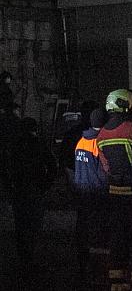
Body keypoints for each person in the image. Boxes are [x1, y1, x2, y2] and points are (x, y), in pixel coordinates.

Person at [96, 89, 132, 289]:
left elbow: (105, 166)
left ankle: (116, 279)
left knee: (117, 236)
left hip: (114, 192)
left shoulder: (102, 135)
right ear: (124, 105)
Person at [12, 117, 56, 290]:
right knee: (33, 226)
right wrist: (45, 184)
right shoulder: (38, 144)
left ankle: (24, 261)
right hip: (34, 190)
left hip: (20, 191)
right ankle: (30, 261)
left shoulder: (15, 145)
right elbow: (52, 166)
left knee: (21, 227)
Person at [73, 109, 110, 289]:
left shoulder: (81, 141)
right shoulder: (99, 142)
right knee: (99, 236)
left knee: (83, 232)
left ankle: (83, 269)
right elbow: (104, 172)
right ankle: (97, 274)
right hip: (97, 195)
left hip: (83, 193)